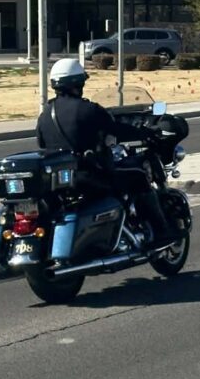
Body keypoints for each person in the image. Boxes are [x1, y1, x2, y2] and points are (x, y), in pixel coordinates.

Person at [35, 59, 176, 248]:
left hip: (61, 180)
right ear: (79, 83)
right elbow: (116, 129)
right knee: (138, 175)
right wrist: (147, 133)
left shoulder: (45, 114)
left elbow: (41, 143)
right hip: (91, 175)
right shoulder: (88, 110)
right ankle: (162, 232)